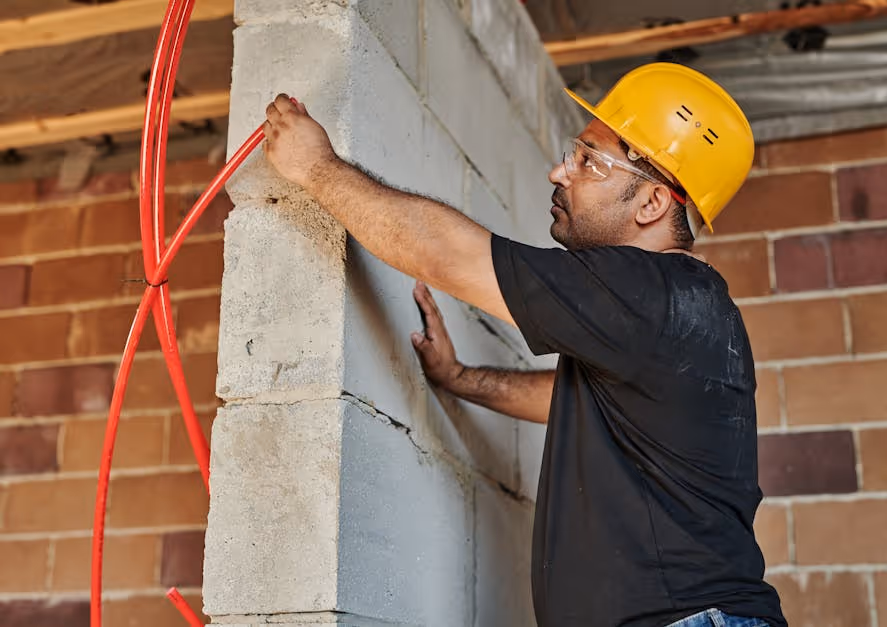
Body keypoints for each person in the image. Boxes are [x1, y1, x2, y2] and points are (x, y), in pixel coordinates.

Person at [262, 62, 787, 627]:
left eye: (589, 161)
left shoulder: (648, 291)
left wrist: (316, 168)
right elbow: (576, 399)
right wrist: (461, 378)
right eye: (572, 154)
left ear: (652, 204)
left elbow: (450, 256)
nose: (559, 172)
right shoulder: (684, 308)